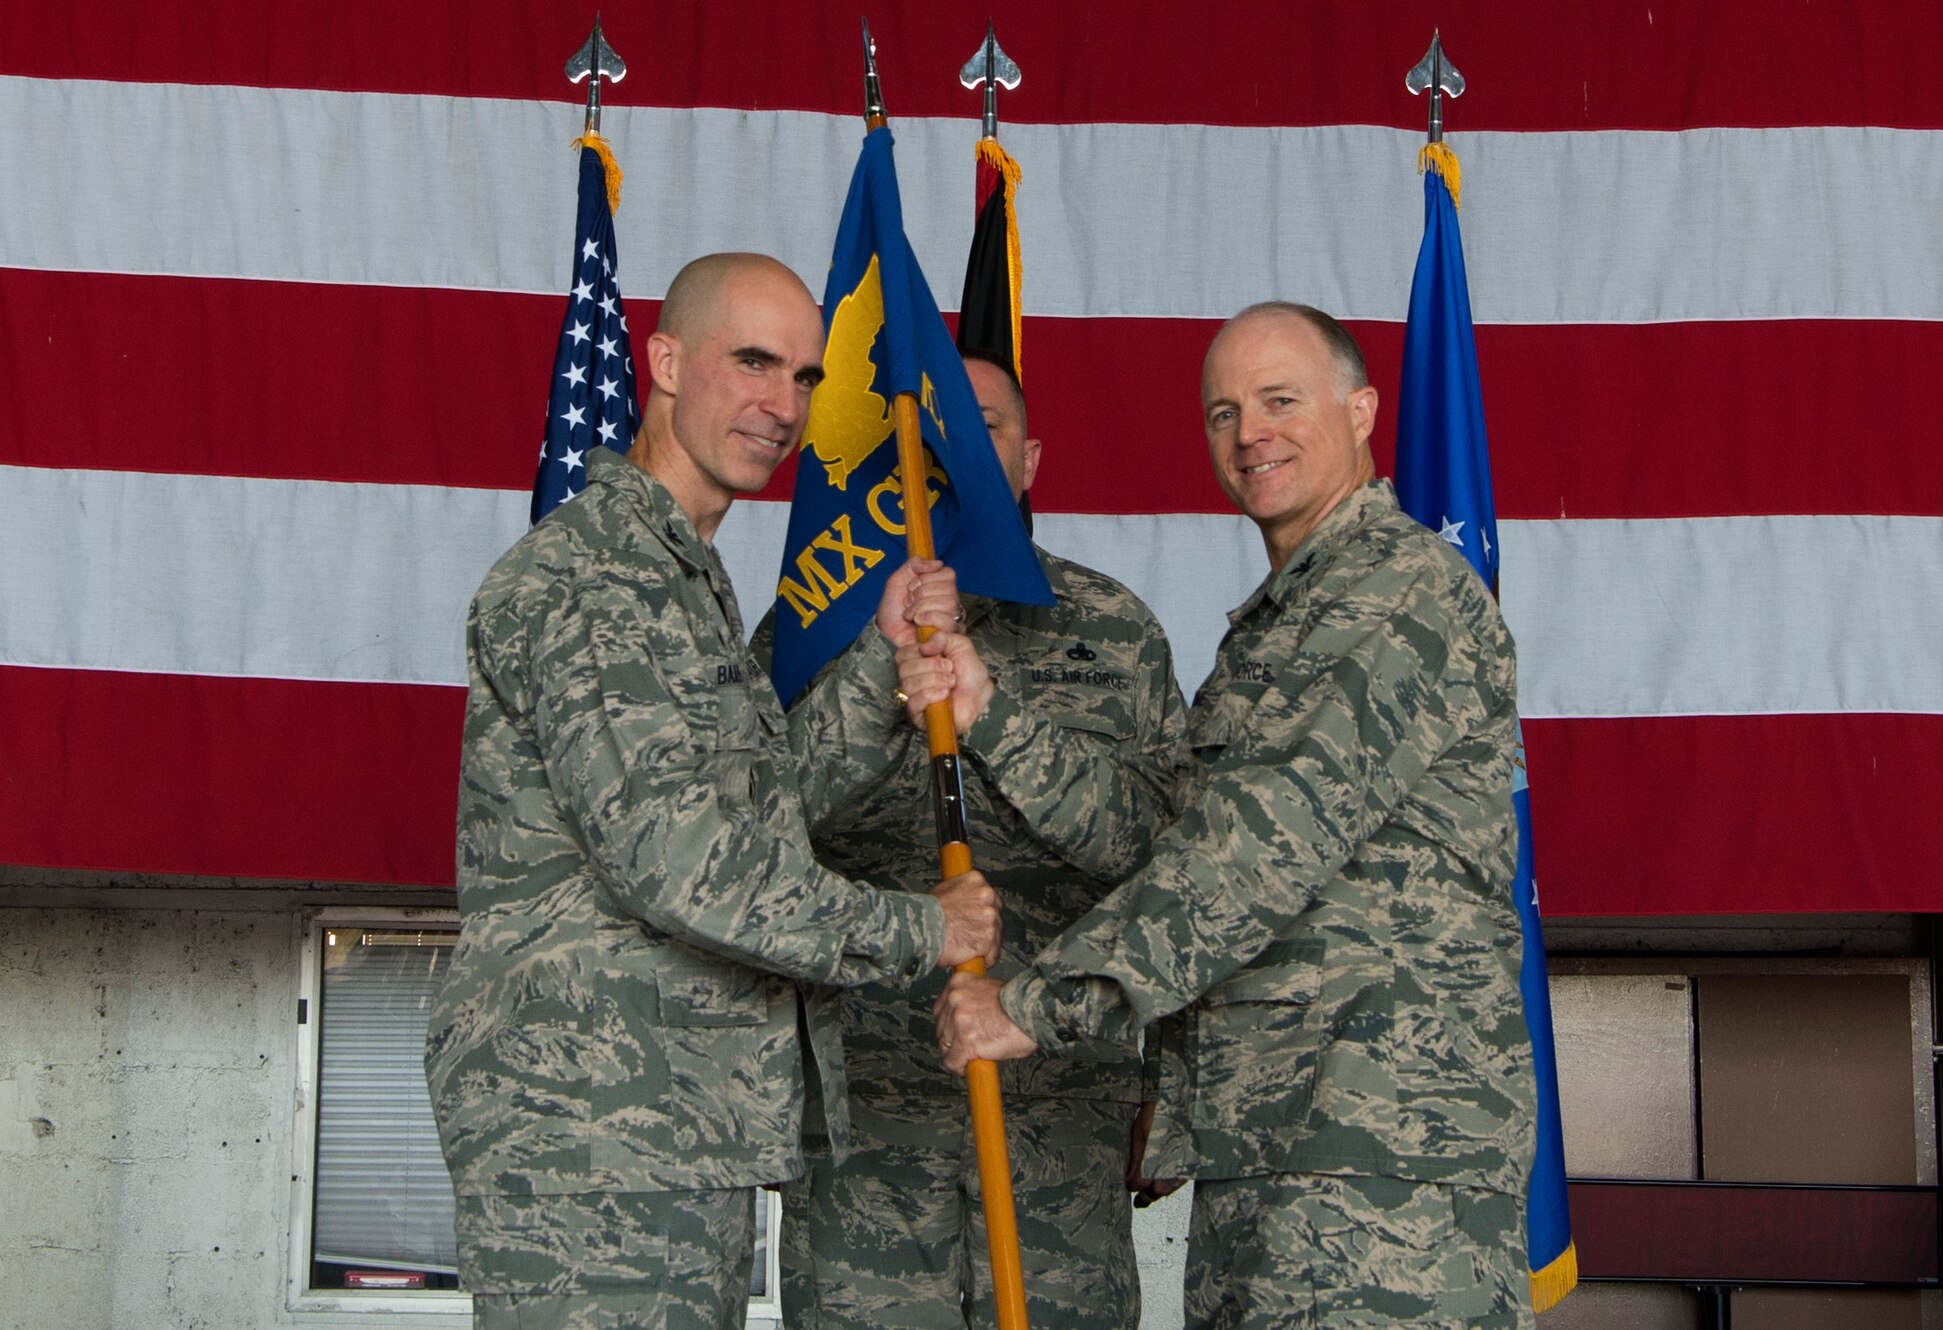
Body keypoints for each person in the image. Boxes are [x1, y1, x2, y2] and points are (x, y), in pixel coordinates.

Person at [929, 303, 1538, 1329]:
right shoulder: (1277, 628)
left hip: (1381, 1153)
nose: (1249, 431)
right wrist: (989, 712)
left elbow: (1253, 849)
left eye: (1278, 399)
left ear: (1359, 409)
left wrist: (1033, 1006)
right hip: (1273, 1144)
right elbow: (1157, 840)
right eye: (1223, 410)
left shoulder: (1397, 593)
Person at [426, 252, 1002, 1330]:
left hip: (667, 1121)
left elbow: (757, 814)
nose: (782, 406)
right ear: (665, 361)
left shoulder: (675, 578)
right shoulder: (594, 577)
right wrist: (918, 930)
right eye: (751, 362)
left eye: (803, 378)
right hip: (594, 1126)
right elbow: (680, 864)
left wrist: (881, 670)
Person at [763, 352, 1191, 1330]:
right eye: (926, 424)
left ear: (1030, 457)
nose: (948, 443)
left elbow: (1167, 862)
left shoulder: (1112, 631)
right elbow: (748, 835)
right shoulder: (813, 624)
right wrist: (874, 668)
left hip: (1059, 1115)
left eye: (981, 422)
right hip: (865, 1128)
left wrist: (1166, 1088)